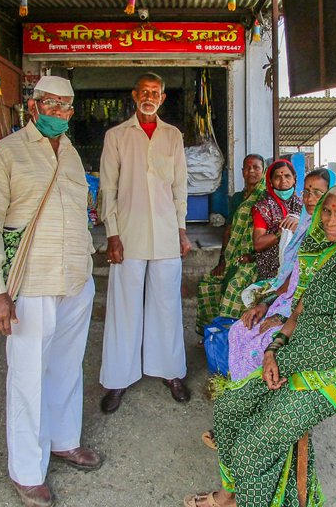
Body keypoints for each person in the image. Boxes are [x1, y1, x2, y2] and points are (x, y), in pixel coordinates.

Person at [185, 182, 336, 507]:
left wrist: (281, 360)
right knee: (227, 410)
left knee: (252, 445)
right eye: (329, 213)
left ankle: (249, 496)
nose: (331, 221)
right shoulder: (329, 250)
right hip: (297, 355)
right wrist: (272, 349)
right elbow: (300, 308)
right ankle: (232, 494)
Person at [0, 76, 102, 507]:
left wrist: (88, 264)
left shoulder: (70, 153)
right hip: (30, 284)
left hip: (74, 280)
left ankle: (64, 440)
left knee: (67, 367)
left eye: (68, 107)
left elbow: (82, 215)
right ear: (33, 108)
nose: (62, 114)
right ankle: (27, 471)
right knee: (27, 376)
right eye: (53, 105)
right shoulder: (6, 154)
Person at [99, 72, 192, 414]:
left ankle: (170, 373)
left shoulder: (173, 136)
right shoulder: (117, 136)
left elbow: (180, 188)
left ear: (163, 98)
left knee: (167, 306)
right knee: (124, 309)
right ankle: (118, 380)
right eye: (145, 91)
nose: (150, 96)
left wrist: (182, 230)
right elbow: (107, 187)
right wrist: (112, 233)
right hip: (129, 234)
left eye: (156, 92)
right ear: (135, 95)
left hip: (167, 234)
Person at [228, 168, 336, 381]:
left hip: (310, 312)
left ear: (333, 195)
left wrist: (283, 317)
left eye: (318, 192)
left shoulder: (333, 236)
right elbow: (292, 278)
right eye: (306, 191)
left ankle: (262, 397)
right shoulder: (307, 227)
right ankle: (240, 392)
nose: (309, 198)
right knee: (239, 329)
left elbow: (320, 291)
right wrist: (265, 304)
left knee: (261, 342)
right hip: (288, 300)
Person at [195, 154, 266, 336]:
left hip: (255, 259)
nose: (251, 171)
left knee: (233, 288)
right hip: (234, 255)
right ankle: (210, 334)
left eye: (256, 167)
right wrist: (222, 260)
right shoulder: (236, 199)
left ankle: (232, 337)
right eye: (247, 167)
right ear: (242, 171)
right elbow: (229, 229)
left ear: (263, 171)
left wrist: (253, 256)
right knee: (207, 284)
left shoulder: (266, 198)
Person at [252, 159, 303, 279]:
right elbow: (258, 244)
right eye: (277, 177)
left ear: (294, 178)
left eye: (287, 176)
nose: (283, 181)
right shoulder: (263, 207)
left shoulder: (304, 204)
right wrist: (283, 232)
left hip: (300, 263)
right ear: (270, 181)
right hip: (272, 266)